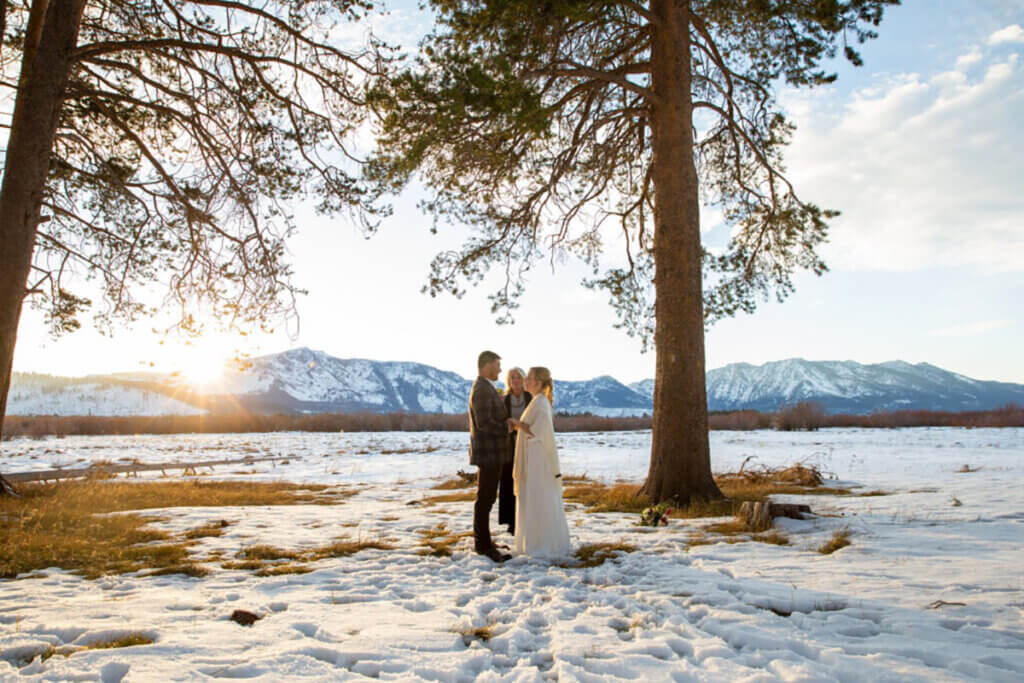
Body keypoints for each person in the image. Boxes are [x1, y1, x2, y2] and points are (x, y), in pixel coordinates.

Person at [510, 366, 571, 558]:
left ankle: (542, 544)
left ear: (537, 382)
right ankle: (533, 541)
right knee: (533, 498)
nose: (525, 380)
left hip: (538, 459)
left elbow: (540, 429)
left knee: (538, 499)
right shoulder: (536, 401)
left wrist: (516, 423)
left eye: (528, 377)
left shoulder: (541, 403)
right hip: (532, 457)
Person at [468, 350, 512, 562]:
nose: (500, 370)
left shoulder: (487, 388)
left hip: (492, 453)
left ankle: (484, 541)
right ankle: (483, 546)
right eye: (497, 365)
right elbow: (483, 423)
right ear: (487, 366)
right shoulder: (482, 389)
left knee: (487, 499)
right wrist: (507, 427)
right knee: (485, 499)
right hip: (488, 454)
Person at [499, 367, 532, 536]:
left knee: (527, 482)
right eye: (512, 377)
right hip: (509, 447)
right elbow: (499, 422)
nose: (515, 381)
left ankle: (528, 520)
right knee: (509, 483)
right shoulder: (503, 400)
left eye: (518, 377)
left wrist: (518, 424)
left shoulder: (530, 398)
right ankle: (511, 523)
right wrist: (507, 425)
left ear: (523, 379)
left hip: (528, 446)